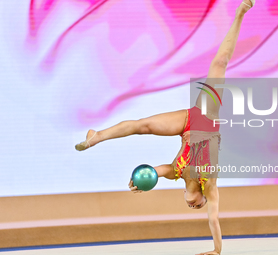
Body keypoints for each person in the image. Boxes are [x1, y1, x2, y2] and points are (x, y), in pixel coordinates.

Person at [75, 1, 255, 254]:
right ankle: (240, 13)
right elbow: (213, 219)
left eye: (192, 207)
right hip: (206, 118)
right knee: (220, 63)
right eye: (200, 205)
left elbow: (152, 172)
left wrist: (140, 181)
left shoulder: (176, 173)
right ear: (203, 197)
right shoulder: (209, 184)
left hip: (187, 126)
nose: (196, 206)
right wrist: (217, 251)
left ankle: (96, 137)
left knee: (145, 126)